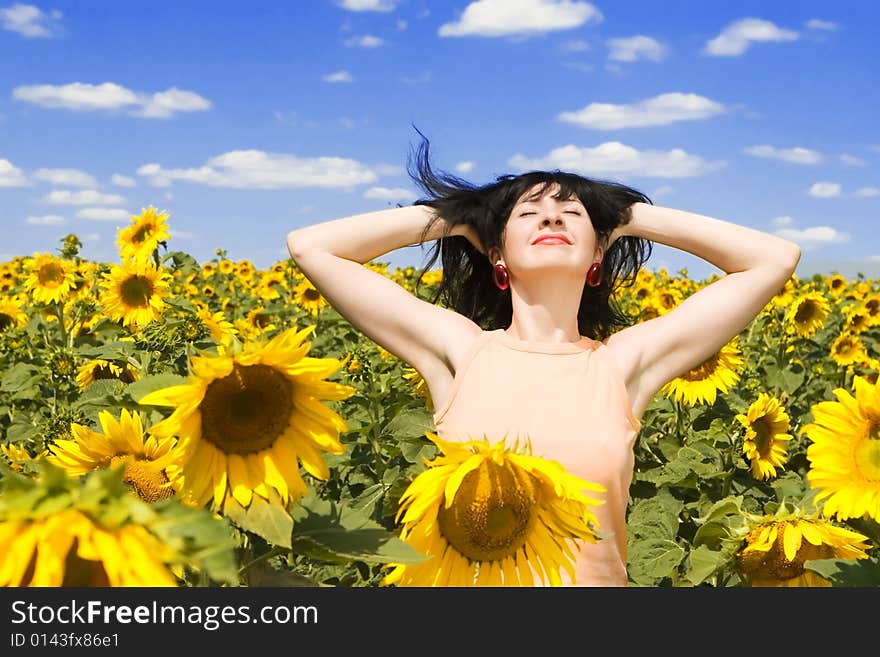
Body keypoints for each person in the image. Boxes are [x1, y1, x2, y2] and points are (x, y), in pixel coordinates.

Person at [285, 128, 801, 586]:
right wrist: (464, 215)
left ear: (597, 255)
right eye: (527, 213)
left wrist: (622, 214)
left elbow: (773, 259)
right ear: (498, 256)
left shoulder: (621, 365)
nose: (551, 214)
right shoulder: (462, 352)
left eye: (571, 213)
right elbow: (313, 247)